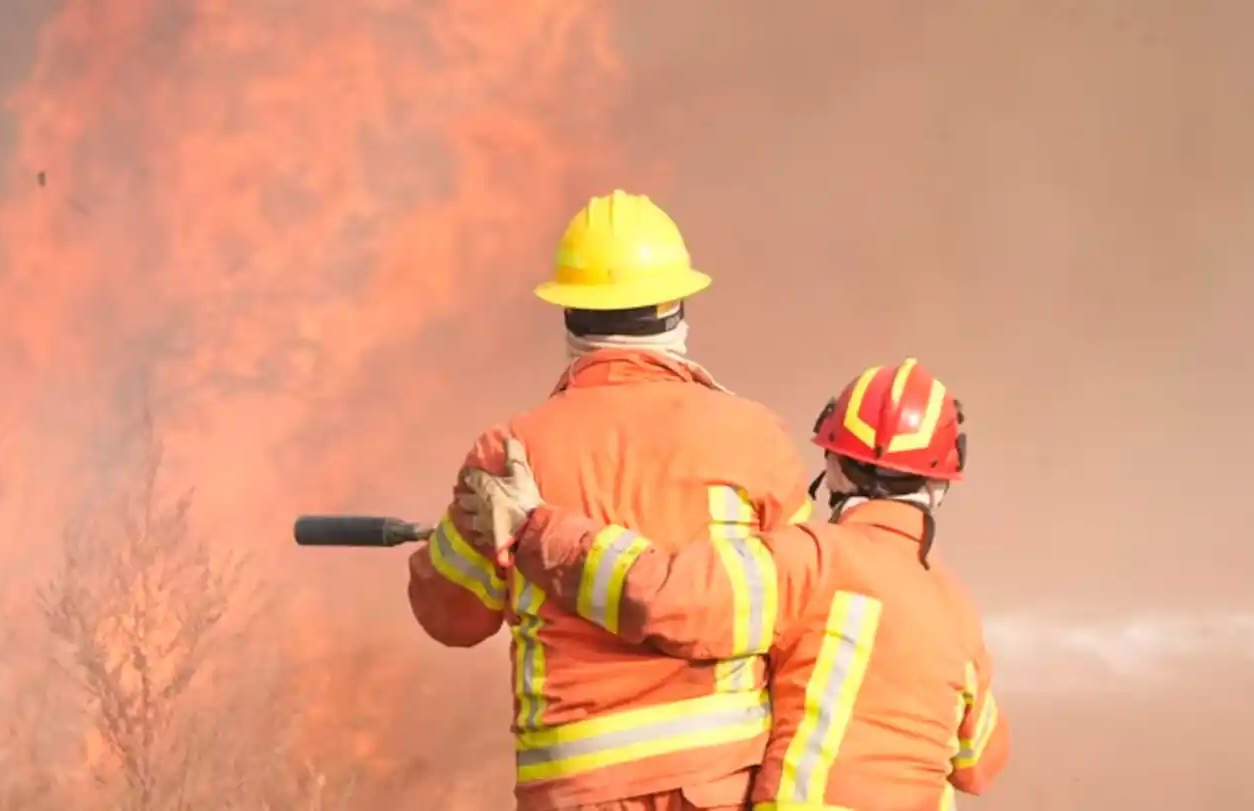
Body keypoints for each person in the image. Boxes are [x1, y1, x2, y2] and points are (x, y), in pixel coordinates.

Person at [405, 190, 814, 811]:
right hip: (718, 786)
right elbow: (805, 616)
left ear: (569, 311)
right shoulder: (751, 436)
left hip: (576, 791)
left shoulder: (510, 454)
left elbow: (452, 618)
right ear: (676, 307)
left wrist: (453, 544)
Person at [460, 359, 1011, 811]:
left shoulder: (808, 562)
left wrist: (535, 526)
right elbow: (981, 763)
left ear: (836, 465)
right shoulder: (956, 609)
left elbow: (663, 598)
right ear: (941, 484)